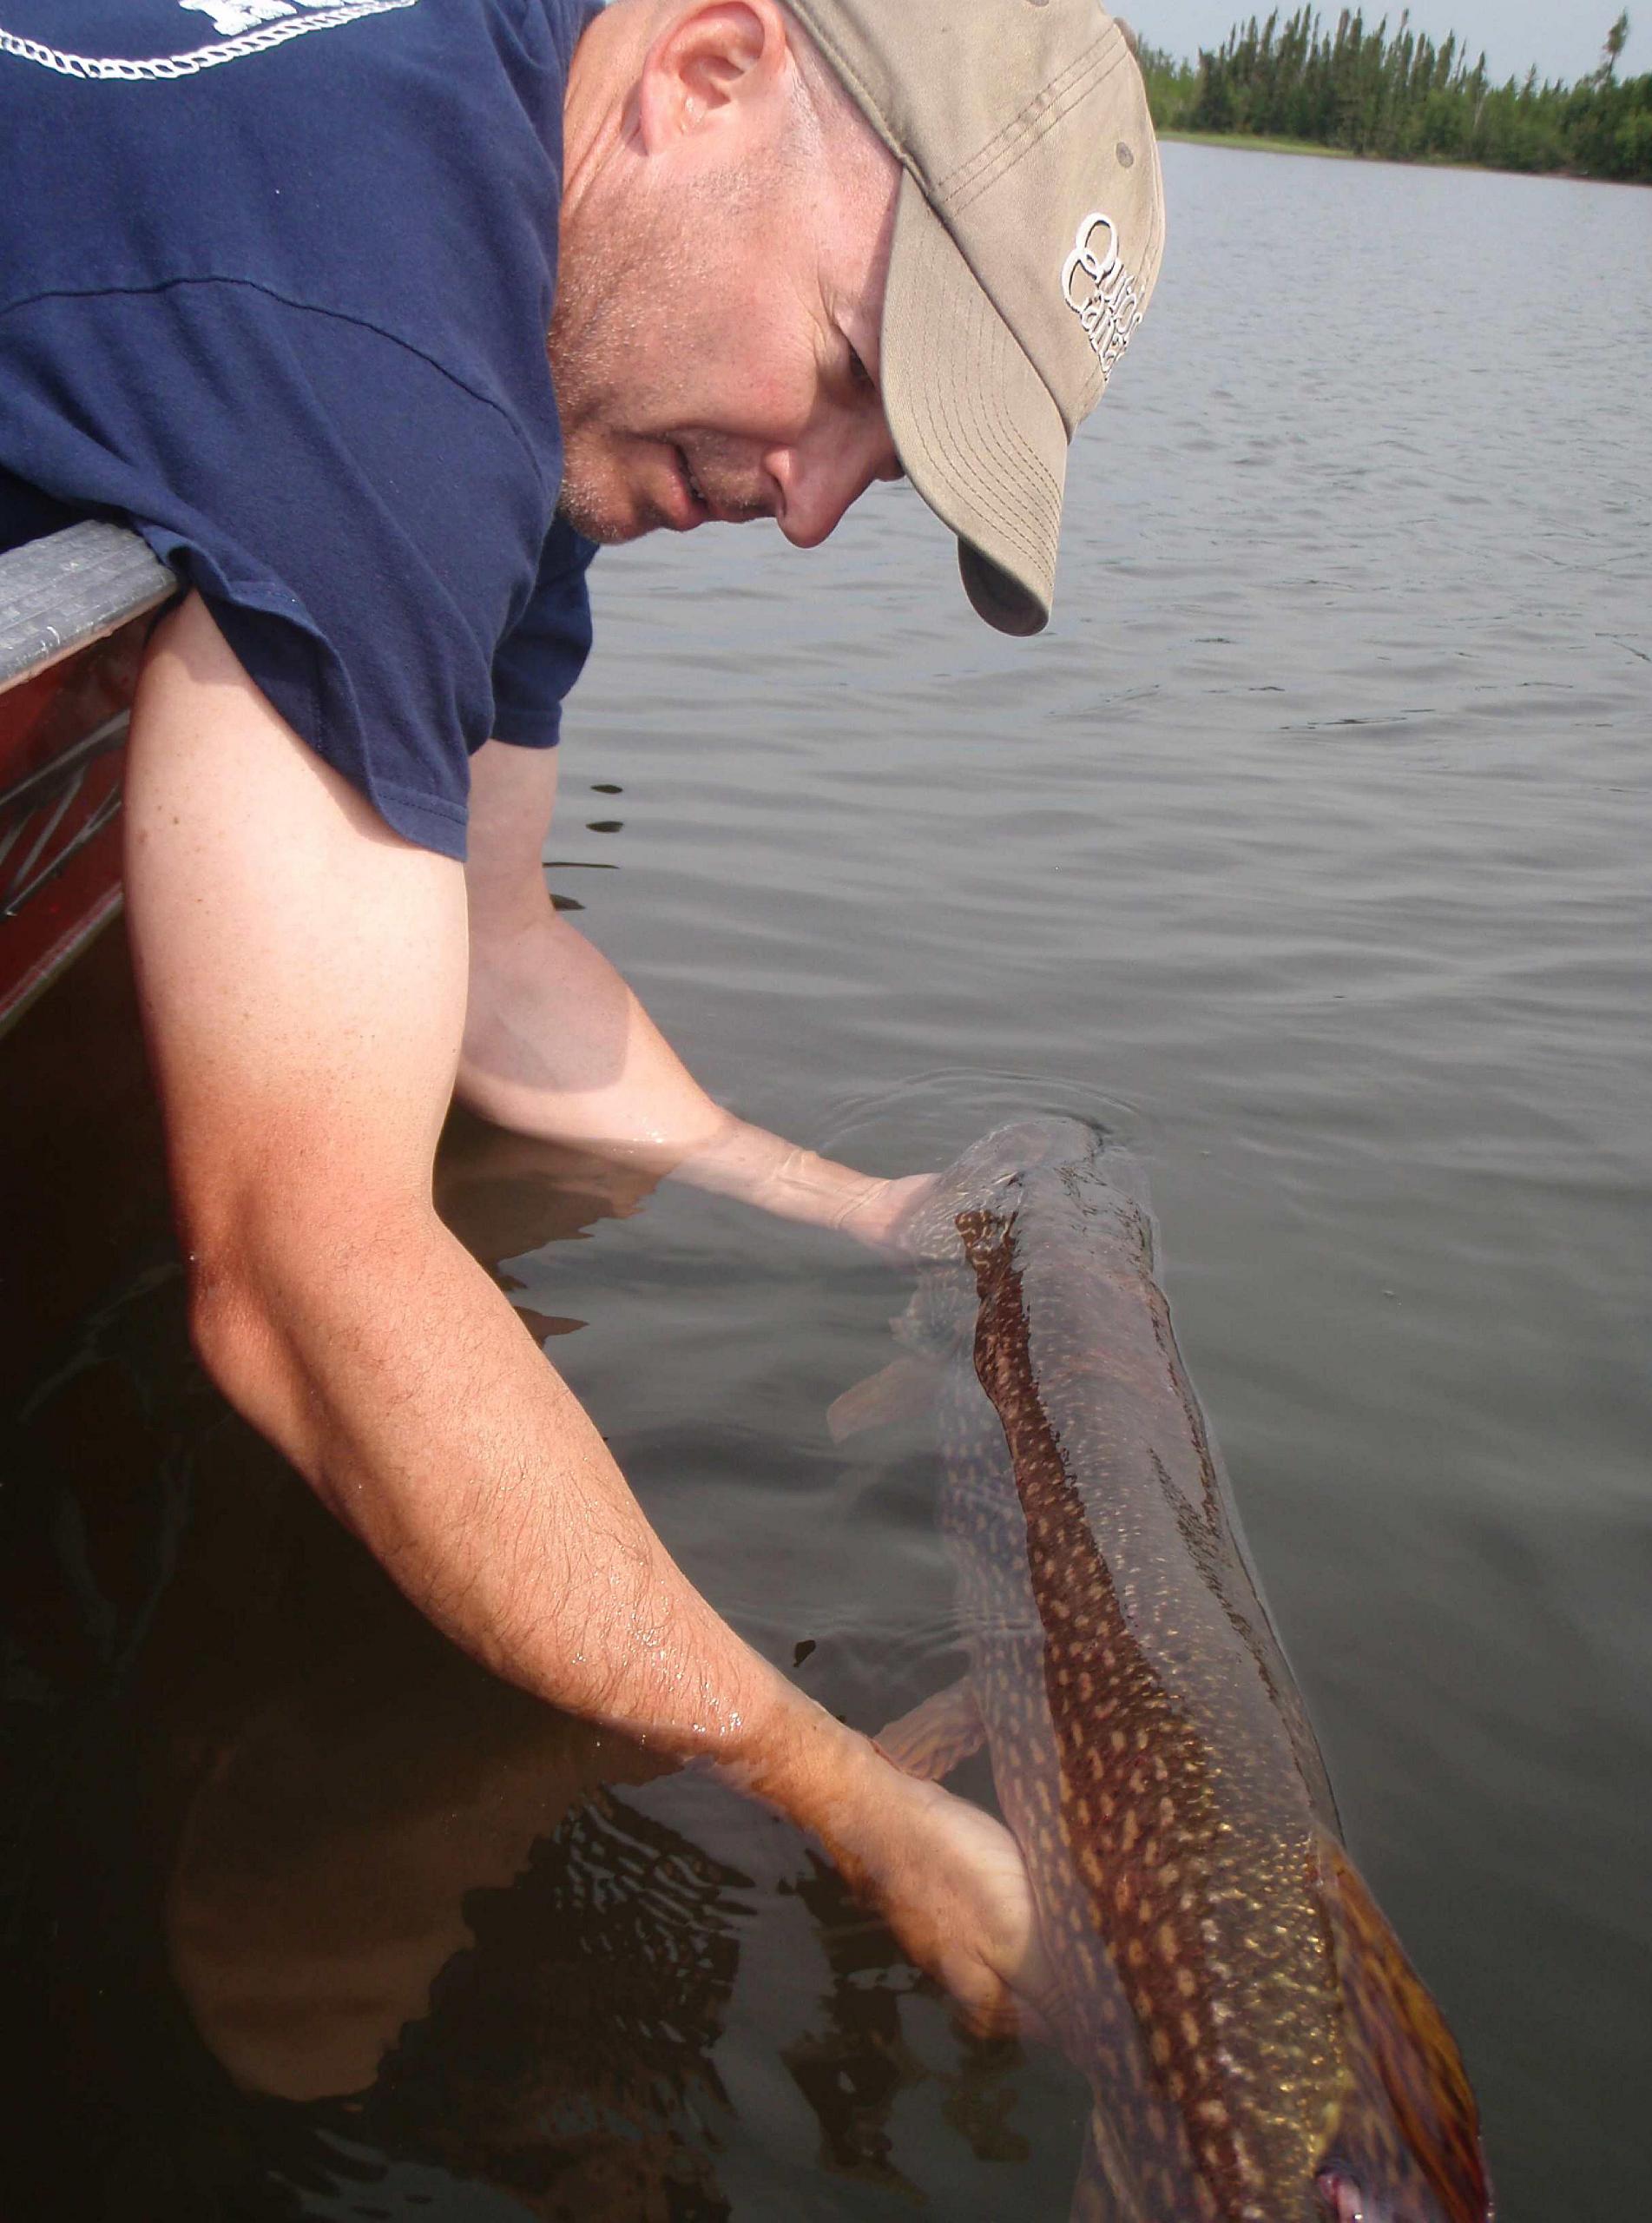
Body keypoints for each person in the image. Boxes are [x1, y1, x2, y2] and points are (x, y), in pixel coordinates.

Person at [0, 0, 1163, 2033]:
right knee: (312, 2009)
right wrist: (840, 1792)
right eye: (846, 379)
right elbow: (302, 1269)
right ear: (710, 73)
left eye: (876, 476)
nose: (808, 508)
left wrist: (858, 1205)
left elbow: (504, 951)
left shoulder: (529, 372)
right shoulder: (389, 358)